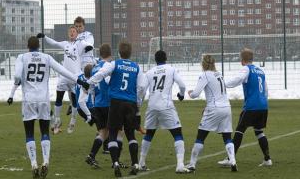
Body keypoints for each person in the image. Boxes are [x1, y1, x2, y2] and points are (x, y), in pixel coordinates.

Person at [10, 36, 88, 179]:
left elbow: (16, 75)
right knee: (45, 132)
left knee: (29, 134)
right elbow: (63, 70)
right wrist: (79, 80)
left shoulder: (22, 57)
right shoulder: (46, 57)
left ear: (28, 46)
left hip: (29, 101)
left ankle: (34, 164)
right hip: (43, 100)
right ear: (39, 46)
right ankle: (45, 162)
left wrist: (17, 82)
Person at [87, 42, 145, 177]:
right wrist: (138, 103)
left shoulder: (115, 64)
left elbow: (102, 74)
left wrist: (89, 82)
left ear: (119, 53)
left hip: (116, 103)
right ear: (131, 53)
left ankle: (116, 163)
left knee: (112, 133)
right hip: (130, 103)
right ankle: (135, 163)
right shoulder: (136, 67)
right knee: (130, 135)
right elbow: (141, 87)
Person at [138, 50, 191, 174]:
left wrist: (139, 105)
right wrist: (181, 95)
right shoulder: (171, 69)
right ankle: (180, 165)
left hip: (152, 106)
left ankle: (141, 163)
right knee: (177, 133)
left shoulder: (149, 72)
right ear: (166, 58)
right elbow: (182, 85)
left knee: (149, 134)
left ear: (155, 60)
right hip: (165, 106)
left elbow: (142, 90)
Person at [218, 48, 271, 167]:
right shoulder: (260, 71)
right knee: (259, 131)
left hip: (252, 106)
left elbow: (237, 80)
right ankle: (267, 159)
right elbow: (266, 90)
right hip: (263, 105)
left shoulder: (246, 69)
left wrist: (222, 84)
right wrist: (262, 101)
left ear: (242, 60)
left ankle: (230, 158)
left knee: (239, 130)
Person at [185, 54, 237, 172]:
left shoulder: (204, 75)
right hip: (226, 108)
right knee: (227, 137)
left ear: (203, 64)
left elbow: (195, 94)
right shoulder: (219, 74)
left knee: (201, 136)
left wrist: (190, 92)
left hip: (214, 108)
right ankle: (233, 161)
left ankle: (192, 164)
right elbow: (217, 93)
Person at [37, 26, 92, 134]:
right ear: (68, 33)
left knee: (75, 101)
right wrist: (44, 36)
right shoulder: (65, 44)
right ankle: (57, 121)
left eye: (74, 31)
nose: (72, 33)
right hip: (63, 77)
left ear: (77, 34)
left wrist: (89, 46)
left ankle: (73, 120)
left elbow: (88, 45)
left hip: (75, 77)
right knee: (59, 98)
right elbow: (54, 43)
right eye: (70, 31)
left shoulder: (80, 43)